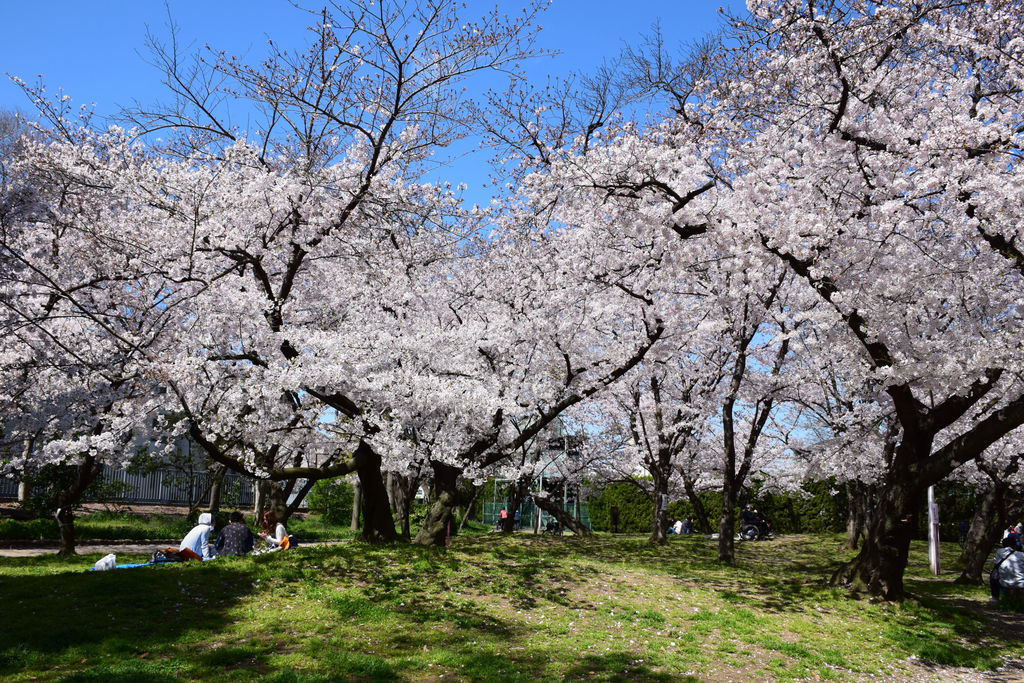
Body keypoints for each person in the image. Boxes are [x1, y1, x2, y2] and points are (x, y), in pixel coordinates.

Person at [989, 536, 1024, 603]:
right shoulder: (1021, 555)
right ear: (1015, 545)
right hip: (1021, 583)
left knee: (994, 574)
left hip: (1005, 583)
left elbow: (996, 565)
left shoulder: (999, 552)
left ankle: (995, 597)